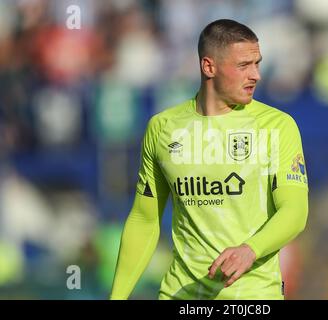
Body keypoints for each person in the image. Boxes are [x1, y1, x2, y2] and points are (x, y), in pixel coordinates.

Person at [110, 19, 309, 300]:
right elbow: (145, 220)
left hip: (250, 297)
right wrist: (116, 297)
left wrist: (250, 249)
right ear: (209, 67)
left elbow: (294, 212)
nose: (256, 75)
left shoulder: (276, 126)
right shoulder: (163, 127)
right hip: (180, 295)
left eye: (257, 64)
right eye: (244, 66)